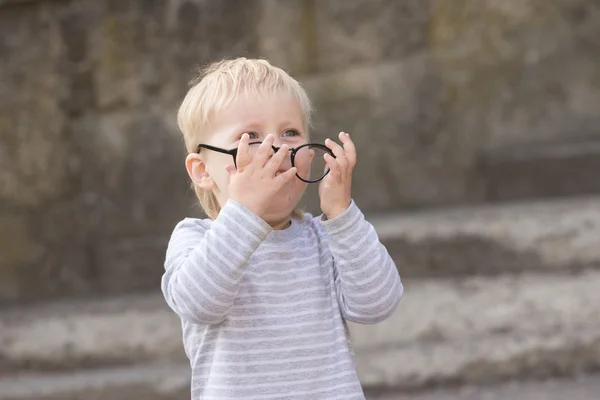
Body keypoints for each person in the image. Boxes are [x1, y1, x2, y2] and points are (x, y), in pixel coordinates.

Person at [161, 57, 403, 400]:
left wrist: (341, 214)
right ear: (202, 170)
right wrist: (244, 211)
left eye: (290, 133)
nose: (277, 147)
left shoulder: (325, 238)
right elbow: (201, 303)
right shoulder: (196, 238)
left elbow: (378, 304)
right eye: (251, 136)